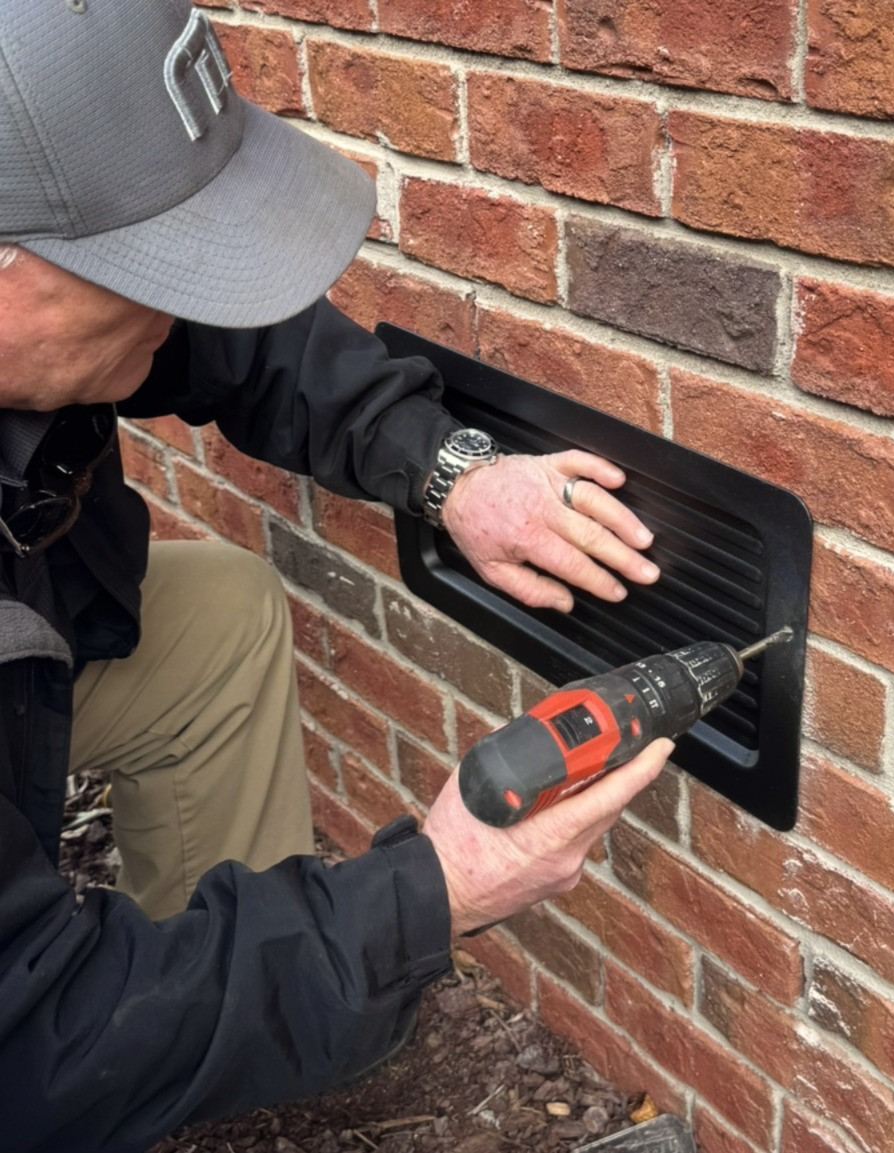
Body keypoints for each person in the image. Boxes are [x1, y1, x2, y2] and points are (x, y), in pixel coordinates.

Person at [0, 3, 670, 1150]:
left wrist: (449, 471)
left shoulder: (62, 300)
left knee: (218, 619)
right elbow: (27, 1041)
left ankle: (214, 1024)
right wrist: (433, 894)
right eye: (152, 275)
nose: (182, 306)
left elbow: (230, 339)